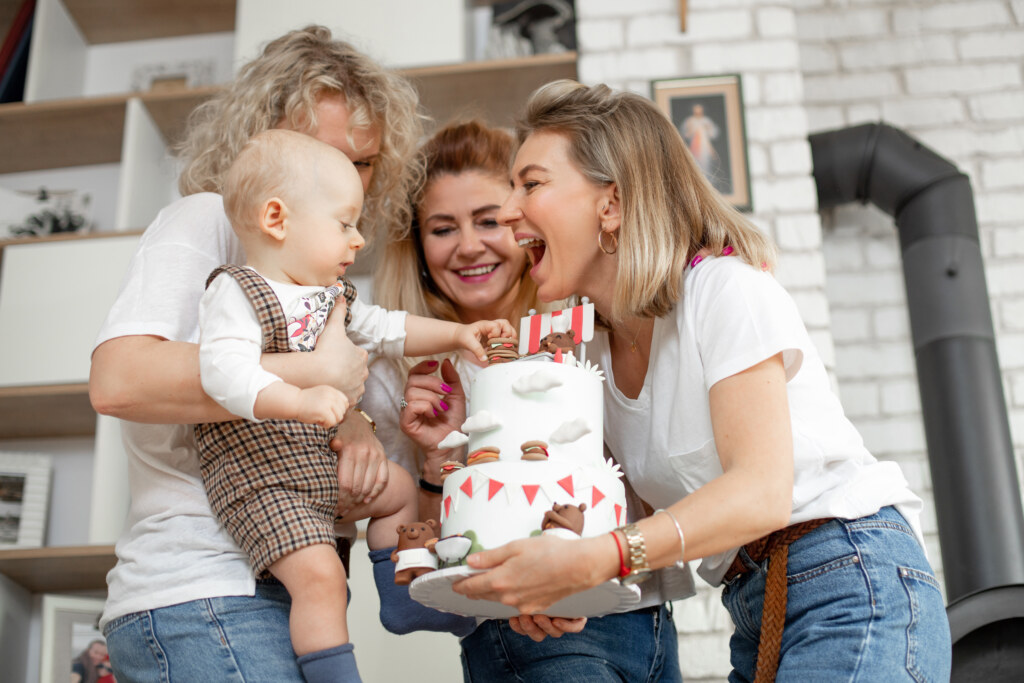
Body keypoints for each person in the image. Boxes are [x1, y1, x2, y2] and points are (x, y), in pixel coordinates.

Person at [452, 80, 953, 681]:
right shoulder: (590, 356)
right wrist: (561, 587)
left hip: (850, 574)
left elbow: (761, 492)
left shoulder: (723, 291)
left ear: (610, 204)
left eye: (530, 184)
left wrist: (599, 559)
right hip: (755, 607)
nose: (508, 212)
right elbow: (612, 517)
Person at [88, 26, 466, 682]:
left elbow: (373, 480)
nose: (343, 174)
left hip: (293, 598)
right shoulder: (205, 222)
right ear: (259, 146)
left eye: (364, 159)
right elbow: (118, 380)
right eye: (317, 150)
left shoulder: (335, 291)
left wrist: (401, 447)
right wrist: (316, 377)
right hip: (206, 590)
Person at [362, 119, 690, 682]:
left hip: (648, 620)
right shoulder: (404, 376)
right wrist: (440, 460)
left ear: (524, 221)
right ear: (417, 247)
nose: (469, 246)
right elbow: (407, 602)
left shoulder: (592, 330)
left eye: (488, 220)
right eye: (443, 229)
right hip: (524, 635)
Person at [196, 128, 514, 681]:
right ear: (277, 219)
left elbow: (391, 329)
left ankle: (405, 595)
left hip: (317, 466)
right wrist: (300, 395)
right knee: (322, 580)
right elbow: (219, 373)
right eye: (344, 224)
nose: (359, 239)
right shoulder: (237, 292)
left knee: (396, 489)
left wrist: (457, 336)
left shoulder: (334, 297)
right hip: (261, 477)